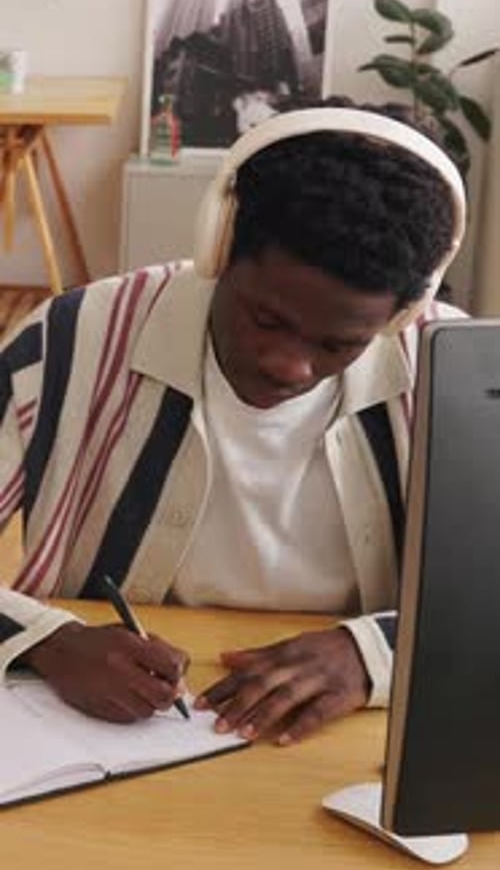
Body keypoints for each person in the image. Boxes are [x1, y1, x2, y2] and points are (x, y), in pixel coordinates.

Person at [0, 103, 466, 744]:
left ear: (402, 314)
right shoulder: (73, 338)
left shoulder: (450, 369)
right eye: (266, 319)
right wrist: (49, 641)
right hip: (104, 730)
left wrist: (375, 652)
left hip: (352, 736)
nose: (289, 365)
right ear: (218, 247)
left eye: (338, 344)